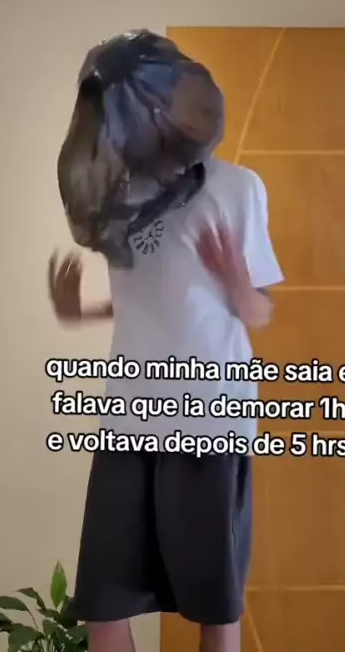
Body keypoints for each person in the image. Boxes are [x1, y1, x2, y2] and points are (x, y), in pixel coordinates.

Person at [48, 156, 283, 652]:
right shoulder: (118, 191)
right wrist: (80, 312)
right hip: (127, 420)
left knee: (213, 606)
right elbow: (154, 296)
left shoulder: (237, 187)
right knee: (103, 607)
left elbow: (259, 311)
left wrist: (238, 282)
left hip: (208, 421)